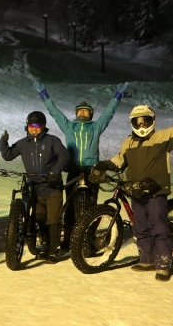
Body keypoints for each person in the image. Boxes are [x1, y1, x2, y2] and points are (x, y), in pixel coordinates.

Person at [91, 106, 173, 282]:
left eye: (144, 121)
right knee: (140, 227)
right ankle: (146, 260)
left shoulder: (161, 137)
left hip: (156, 190)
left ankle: (163, 265)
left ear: (151, 120)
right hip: (136, 190)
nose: (141, 125)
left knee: (159, 226)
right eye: (136, 121)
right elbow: (119, 160)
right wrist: (103, 165)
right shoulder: (129, 142)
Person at [33, 80, 128, 248]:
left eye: (86, 111)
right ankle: (69, 239)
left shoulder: (95, 127)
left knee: (91, 206)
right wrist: (44, 95)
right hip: (73, 170)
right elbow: (55, 113)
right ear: (76, 114)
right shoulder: (69, 127)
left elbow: (108, 114)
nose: (83, 113)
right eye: (80, 111)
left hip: (92, 171)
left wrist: (117, 97)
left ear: (90, 115)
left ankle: (87, 239)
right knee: (69, 205)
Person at [0, 111, 69, 263]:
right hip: (35, 189)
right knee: (39, 218)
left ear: (43, 126)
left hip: (52, 188)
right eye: (31, 126)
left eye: (37, 126)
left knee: (53, 220)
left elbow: (64, 156)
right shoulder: (24, 143)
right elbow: (8, 155)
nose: (34, 129)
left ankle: (54, 249)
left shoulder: (52, 140)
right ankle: (44, 246)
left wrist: (54, 172)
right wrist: (3, 142)